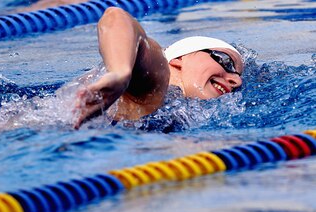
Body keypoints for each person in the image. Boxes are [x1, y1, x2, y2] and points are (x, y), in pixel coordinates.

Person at [72, 7, 243, 129]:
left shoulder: (180, 109)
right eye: (226, 61)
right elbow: (116, 17)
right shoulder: (159, 81)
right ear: (178, 60)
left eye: (237, 75)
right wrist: (120, 73)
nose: (236, 80)